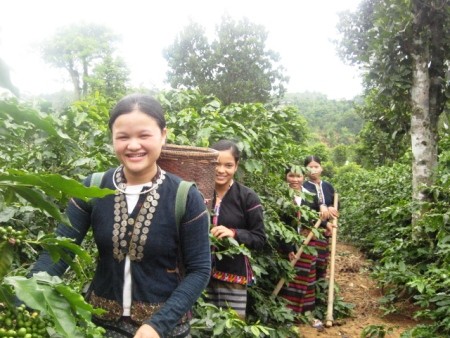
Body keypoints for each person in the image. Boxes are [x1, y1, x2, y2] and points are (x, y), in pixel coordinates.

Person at [28, 94, 211, 338]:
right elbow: (60, 252)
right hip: (102, 327)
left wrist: (157, 325)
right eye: (123, 137)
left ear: (163, 135)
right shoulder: (92, 187)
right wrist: (24, 294)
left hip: (166, 329)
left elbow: (199, 269)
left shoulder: (185, 196)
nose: (133, 145)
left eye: (144, 135)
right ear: (113, 138)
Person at [204, 140, 266, 319]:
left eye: (228, 165)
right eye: (216, 164)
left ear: (236, 166)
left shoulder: (247, 197)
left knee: (231, 327)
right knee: (200, 325)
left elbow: (259, 238)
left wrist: (234, 233)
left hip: (232, 275)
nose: (221, 170)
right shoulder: (197, 192)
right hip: (198, 274)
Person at [302, 155, 338, 281]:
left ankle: (320, 291)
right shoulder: (303, 187)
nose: (313, 170)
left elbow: (334, 204)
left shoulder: (328, 186)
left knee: (322, 262)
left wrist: (332, 207)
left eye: (316, 166)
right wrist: (324, 222)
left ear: (321, 168)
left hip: (324, 232)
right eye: (310, 167)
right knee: (309, 263)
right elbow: (306, 209)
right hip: (309, 230)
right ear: (305, 169)